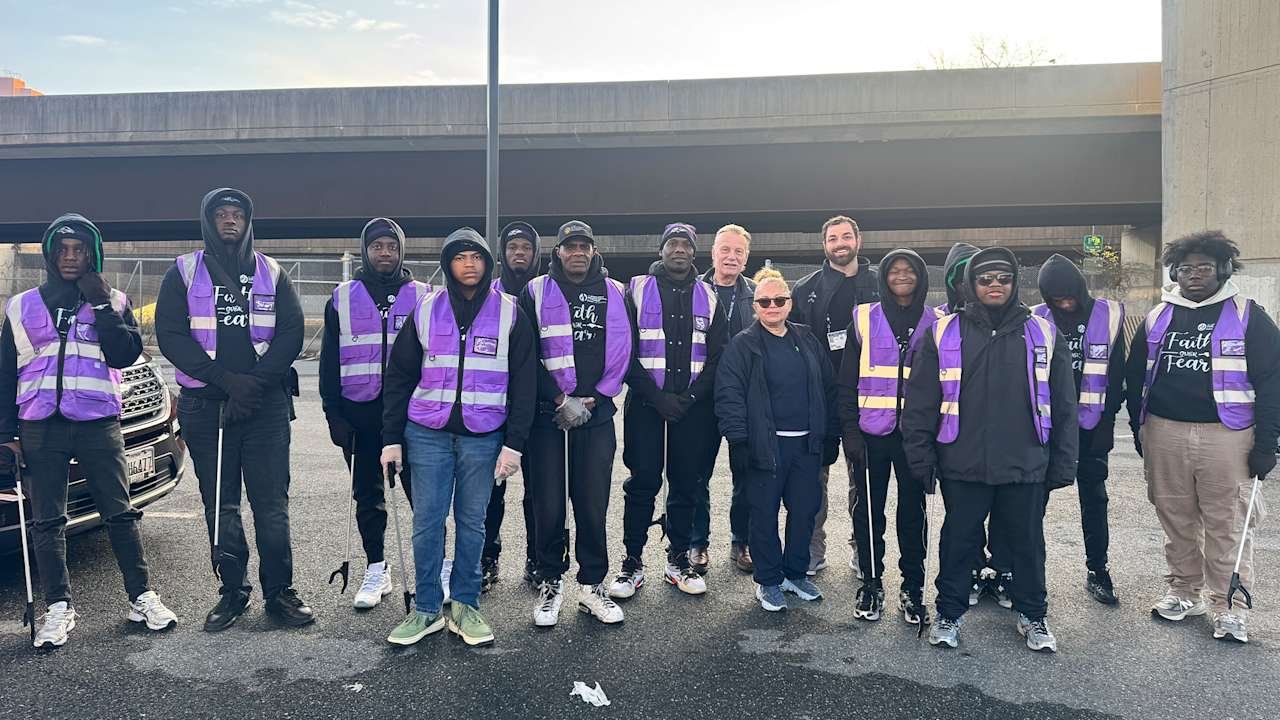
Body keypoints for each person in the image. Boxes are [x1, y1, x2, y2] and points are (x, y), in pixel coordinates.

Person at [0, 213, 178, 648]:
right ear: (49, 254)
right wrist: (6, 430)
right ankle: (59, 607)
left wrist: (99, 304)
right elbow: (6, 371)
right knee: (47, 519)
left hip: (98, 421)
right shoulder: (22, 305)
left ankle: (141, 597)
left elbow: (122, 355)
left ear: (92, 254)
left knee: (120, 511)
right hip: (40, 424)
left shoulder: (113, 300)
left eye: (79, 250)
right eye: (62, 249)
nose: (70, 257)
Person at [903, 246, 1078, 653]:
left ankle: (1033, 615)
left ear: (1015, 283)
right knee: (958, 541)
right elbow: (921, 402)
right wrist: (920, 456)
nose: (994, 285)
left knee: (1027, 544)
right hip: (962, 462)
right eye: (985, 279)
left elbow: (1065, 403)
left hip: (1026, 462)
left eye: (1003, 278)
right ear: (970, 285)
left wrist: (1064, 459)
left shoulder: (1044, 331)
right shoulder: (944, 331)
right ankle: (949, 613)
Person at [156, 188, 309, 631]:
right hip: (208, 405)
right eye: (220, 214)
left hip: (264, 405)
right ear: (208, 221)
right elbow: (171, 334)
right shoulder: (184, 272)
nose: (229, 220)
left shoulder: (272, 271)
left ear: (247, 221)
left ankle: (280, 592)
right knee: (220, 503)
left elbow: (291, 332)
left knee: (271, 505)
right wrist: (226, 380)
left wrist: (254, 384)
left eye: (236, 213)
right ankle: (233, 591)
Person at [380, 228, 536, 647]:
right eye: (460, 257)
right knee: (427, 523)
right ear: (449, 264)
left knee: (473, 523)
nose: (469, 264)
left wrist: (514, 443)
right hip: (426, 434)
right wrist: (391, 438)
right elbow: (398, 378)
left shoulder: (511, 312)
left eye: (477, 257)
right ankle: (427, 608)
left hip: (483, 437)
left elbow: (525, 385)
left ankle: (465, 605)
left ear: (488, 263)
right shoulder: (426, 310)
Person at [1126, 230, 1280, 644]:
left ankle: (1228, 605)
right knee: (1175, 516)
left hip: (1227, 435)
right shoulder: (1159, 315)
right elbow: (1135, 373)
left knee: (1227, 521)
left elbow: (1272, 382)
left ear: (1223, 269)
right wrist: (1137, 426)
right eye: (1186, 268)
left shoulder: (1249, 315)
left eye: (1204, 267)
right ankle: (1183, 590)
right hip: (1165, 430)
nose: (1194, 275)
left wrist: (1268, 443)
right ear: (1175, 271)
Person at [519, 220, 632, 626]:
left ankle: (592, 586)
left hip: (597, 414)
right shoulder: (535, 291)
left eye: (584, 245)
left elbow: (625, 348)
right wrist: (559, 398)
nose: (578, 253)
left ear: (594, 250)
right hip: (550, 417)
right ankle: (551, 582)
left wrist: (599, 396)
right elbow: (525, 354)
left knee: (592, 503)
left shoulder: (615, 292)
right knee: (548, 503)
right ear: (559, 252)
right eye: (570, 247)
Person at [610, 222, 727, 598]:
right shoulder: (636, 289)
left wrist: (689, 400)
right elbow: (622, 349)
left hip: (692, 410)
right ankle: (631, 562)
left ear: (694, 253)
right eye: (672, 243)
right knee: (642, 482)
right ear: (660, 250)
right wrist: (657, 397)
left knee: (686, 484)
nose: (679, 250)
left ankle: (678, 558)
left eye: (685, 245)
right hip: (646, 403)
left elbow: (718, 356)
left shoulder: (709, 296)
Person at [319, 218, 429, 609]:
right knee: (368, 495)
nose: (385, 253)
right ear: (366, 250)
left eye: (392, 246)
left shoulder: (425, 296)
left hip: (412, 415)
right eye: (378, 246)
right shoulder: (343, 296)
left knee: (423, 497)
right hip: (360, 413)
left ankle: (433, 571)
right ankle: (376, 568)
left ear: (401, 252)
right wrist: (333, 413)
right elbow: (329, 359)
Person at [715, 267, 836, 611]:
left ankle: (795, 572)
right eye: (764, 301)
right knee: (764, 514)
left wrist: (830, 436)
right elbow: (729, 394)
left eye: (779, 300)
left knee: (804, 511)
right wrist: (738, 441)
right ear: (755, 306)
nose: (772, 306)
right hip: (765, 446)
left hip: (806, 446)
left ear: (789, 302)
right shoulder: (743, 345)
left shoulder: (807, 338)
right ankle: (768, 579)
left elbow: (827, 387)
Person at [836, 249, 940, 625]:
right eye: (894, 270)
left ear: (921, 277)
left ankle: (912, 586)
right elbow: (846, 382)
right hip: (870, 436)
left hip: (915, 438)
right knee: (867, 513)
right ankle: (871, 581)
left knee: (913, 514)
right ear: (884, 277)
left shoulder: (937, 322)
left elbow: (945, 387)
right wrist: (850, 432)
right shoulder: (864, 319)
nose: (901, 275)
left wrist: (935, 437)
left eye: (909, 270)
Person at [1032, 254, 1126, 605]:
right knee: (1032, 500)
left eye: (1069, 295)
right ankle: (1023, 567)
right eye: (1056, 298)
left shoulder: (1109, 314)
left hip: (1091, 426)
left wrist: (1108, 421)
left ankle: (1098, 569)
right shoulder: (1037, 318)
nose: (1064, 303)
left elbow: (1117, 375)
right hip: (1047, 426)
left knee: (1094, 498)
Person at [789, 215, 878, 575]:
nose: (839, 243)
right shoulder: (805, 288)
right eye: (832, 238)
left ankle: (863, 549)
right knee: (814, 479)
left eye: (845, 236)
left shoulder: (880, 283)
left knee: (864, 478)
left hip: (869, 398)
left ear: (858, 239)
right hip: (820, 399)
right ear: (824, 244)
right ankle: (812, 549)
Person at [481, 220, 544, 589]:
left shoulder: (547, 293)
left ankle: (537, 558)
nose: (519, 254)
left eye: (526, 248)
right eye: (513, 248)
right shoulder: (487, 293)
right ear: (502, 254)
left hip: (540, 408)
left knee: (539, 491)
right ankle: (488, 557)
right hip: (494, 407)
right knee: (490, 491)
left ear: (536, 254)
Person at [695, 223, 758, 572]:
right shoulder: (695, 290)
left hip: (745, 401)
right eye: (725, 249)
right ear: (713, 252)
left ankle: (742, 541)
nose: (731, 256)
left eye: (738, 251)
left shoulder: (757, 294)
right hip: (702, 397)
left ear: (746, 258)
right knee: (696, 474)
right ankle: (697, 543)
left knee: (746, 475)